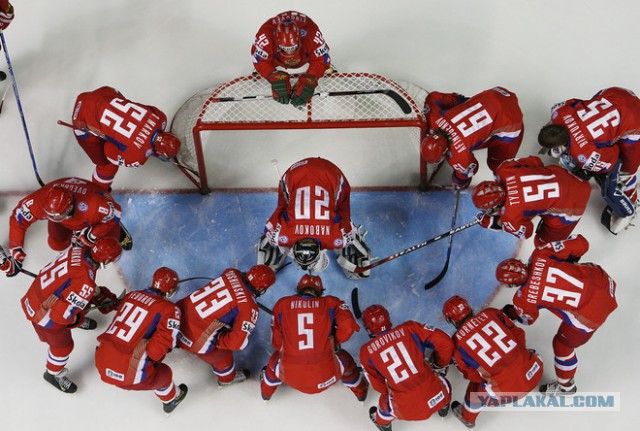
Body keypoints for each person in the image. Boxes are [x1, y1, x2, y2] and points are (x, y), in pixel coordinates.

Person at [496, 234, 617, 396]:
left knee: (562, 345)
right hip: (603, 280)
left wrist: (511, 312)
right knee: (568, 263)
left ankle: (566, 386)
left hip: (593, 314)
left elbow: (527, 319)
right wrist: (568, 261)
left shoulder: (523, 299)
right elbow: (582, 243)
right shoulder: (540, 253)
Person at [20, 237, 122, 393]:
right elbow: (60, 317)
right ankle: (53, 374)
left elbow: (72, 279)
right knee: (63, 346)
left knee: (76, 303)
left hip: (35, 296)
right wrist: (78, 317)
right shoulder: (84, 284)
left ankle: (76, 312)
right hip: (44, 316)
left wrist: (95, 294)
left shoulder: (78, 250)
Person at [538, 87, 640, 234]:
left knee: (626, 170)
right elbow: (576, 103)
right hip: (616, 94)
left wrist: (593, 159)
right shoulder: (559, 111)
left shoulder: (583, 154)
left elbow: (613, 157)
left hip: (635, 123)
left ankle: (630, 208)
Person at [257, 157, 371, 279]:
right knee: (341, 214)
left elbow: (347, 227)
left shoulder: (336, 237)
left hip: (320, 173)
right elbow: (270, 225)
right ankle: (355, 257)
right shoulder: (282, 234)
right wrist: (277, 239)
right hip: (310, 171)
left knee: (342, 217)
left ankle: (271, 257)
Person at [260, 274, 368, 402]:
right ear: (320, 291)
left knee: (274, 361)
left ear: (299, 289)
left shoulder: (282, 304)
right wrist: (334, 343)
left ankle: (266, 393)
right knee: (347, 360)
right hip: (327, 378)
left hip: (290, 378)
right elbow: (348, 327)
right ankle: (360, 392)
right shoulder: (332, 303)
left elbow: (277, 344)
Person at [95, 266, 188, 413]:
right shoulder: (170, 309)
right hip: (128, 373)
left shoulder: (131, 295)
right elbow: (156, 353)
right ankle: (171, 399)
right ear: (170, 291)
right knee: (164, 374)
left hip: (102, 361)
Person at [443, 295, 543, 428]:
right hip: (535, 371)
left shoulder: (457, 342)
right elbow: (519, 334)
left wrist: (489, 375)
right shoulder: (491, 313)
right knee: (524, 355)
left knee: (475, 388)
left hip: (507, 392)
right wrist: (516, 357)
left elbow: (469, 374)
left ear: (451, 320)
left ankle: (467, 417)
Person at [176, 264, 275, 387]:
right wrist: (219, 341)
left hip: (175, 318)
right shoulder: (249, 308)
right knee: (223, 357)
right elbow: (237, 343)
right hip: (194, 340)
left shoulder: (231, 272)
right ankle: (227, 379)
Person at [4, 177, 125, 277]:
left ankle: (118, 230)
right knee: (56, 244)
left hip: (97, 212)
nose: (54, 218)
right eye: (51, 215)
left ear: (71, 206)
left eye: (59, 215)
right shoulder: (39, 201)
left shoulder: (93, 205)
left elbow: (116, 213)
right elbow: (17, 219)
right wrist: (16, 251)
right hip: (69, 217)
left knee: (107, 248)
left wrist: (92, 234)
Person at [359, 305, 453, 431]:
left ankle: (383, 423)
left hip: (406, 410)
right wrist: (440, 365)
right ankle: (443, 407)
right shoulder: (410, 328)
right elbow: (445, 342)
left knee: (384, 403)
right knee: (444, 383)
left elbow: (378, 386)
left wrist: (392, 389)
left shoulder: (366, 352)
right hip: (436, 395)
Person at [70, 86, 181, 189]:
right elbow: (107, 151)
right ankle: (99, 193)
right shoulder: (137, 158)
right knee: (107, 166)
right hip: (82, 119)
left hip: (105, 92)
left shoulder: (161, 117)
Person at [471, 155, 591, 248]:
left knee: (542, 245)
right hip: (565, 176)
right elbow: (536, 161)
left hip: (573, 206)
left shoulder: (510, 217)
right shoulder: (503, 168)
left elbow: (527, 232)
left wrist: (495, 223)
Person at [421, 87, 524, 189]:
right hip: (496, 94)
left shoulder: (459, 157)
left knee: (498, 166)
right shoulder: (433, 118)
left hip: (512, 121)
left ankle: (515, 184)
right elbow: (433, 97)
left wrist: (458, 181)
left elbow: (470, 171)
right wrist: (462, 101)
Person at [251, 11, 333, 106]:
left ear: (300, 39)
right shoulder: (266, 37)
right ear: (277, 42)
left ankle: (326, 68)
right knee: (263, 59)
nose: (289, 52)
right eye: (285, 48)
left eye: (292, 48)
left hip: (303, 55)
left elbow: (322, 59)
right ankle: (263, 70)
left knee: (320, 58)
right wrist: (271, 74)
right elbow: (258, 59)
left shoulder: (312, 35)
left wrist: (311, 77)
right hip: (277, 58)